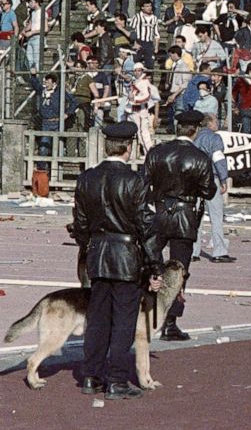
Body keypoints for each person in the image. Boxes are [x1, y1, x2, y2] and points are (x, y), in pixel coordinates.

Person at [71, 122, 163, 401]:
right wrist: (155, 266)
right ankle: (116, 379)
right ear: (129, 146)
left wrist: (88, 248)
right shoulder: (136, 181)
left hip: (98, 254)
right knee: (123, 321)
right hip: (126, 256)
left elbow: (80, 224)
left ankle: (91, 375)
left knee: (97, 318)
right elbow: (147, 227)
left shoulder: (87, 178)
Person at [144, 110, 217, 341]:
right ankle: (170, 321)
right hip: (185, 214)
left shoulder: (157, 153)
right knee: (179, 270)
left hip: (159, 210)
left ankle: (144, 311)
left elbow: (144, 183)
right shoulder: (199, 157)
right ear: (195, 130)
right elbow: (209, 190)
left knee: (149, 261)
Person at [194, 113, 234, 263]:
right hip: (211, 179)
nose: (217, 123)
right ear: (209, 123)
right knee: (216, 215)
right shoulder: (214, 138)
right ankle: (219, 251)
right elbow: (218, 159)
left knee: (195, 216)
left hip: (194, 179)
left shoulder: (194, 138)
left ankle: (193, 251)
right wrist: (224, 178)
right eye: (216, 121)